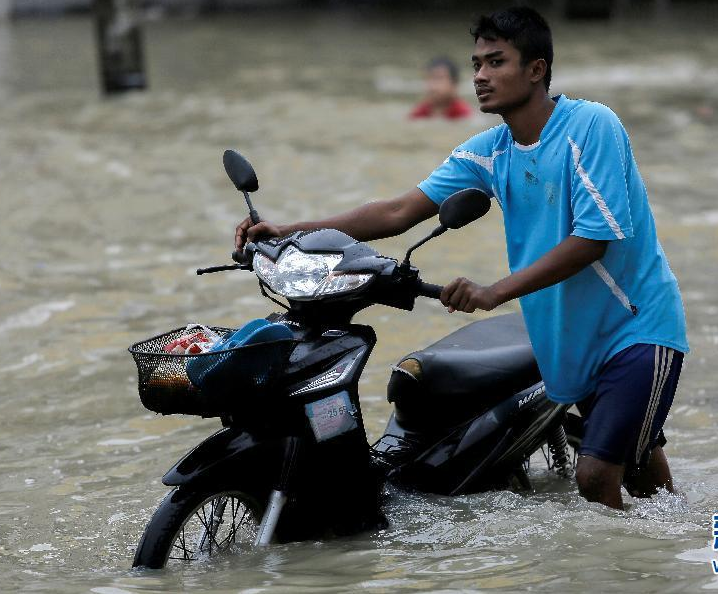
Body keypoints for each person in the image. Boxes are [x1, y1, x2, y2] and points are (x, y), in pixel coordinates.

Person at [235, 7, 689, 510]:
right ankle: (675, 552)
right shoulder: (491, 150)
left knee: (597, 474)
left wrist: (494, 290)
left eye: (496, 62)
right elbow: (398, 210)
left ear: (536, 70)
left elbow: (593, 240)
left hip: (634, 328)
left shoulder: (591, 126)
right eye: (475, 64)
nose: (479, 76)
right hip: (569, 337)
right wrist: (288, 231)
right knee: (645, 479)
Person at [409, 57, 473, 120]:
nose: (432, 85)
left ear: (454, 84)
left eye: (439, 78)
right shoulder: (420, 112)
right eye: (429, 78)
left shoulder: (463, 113)